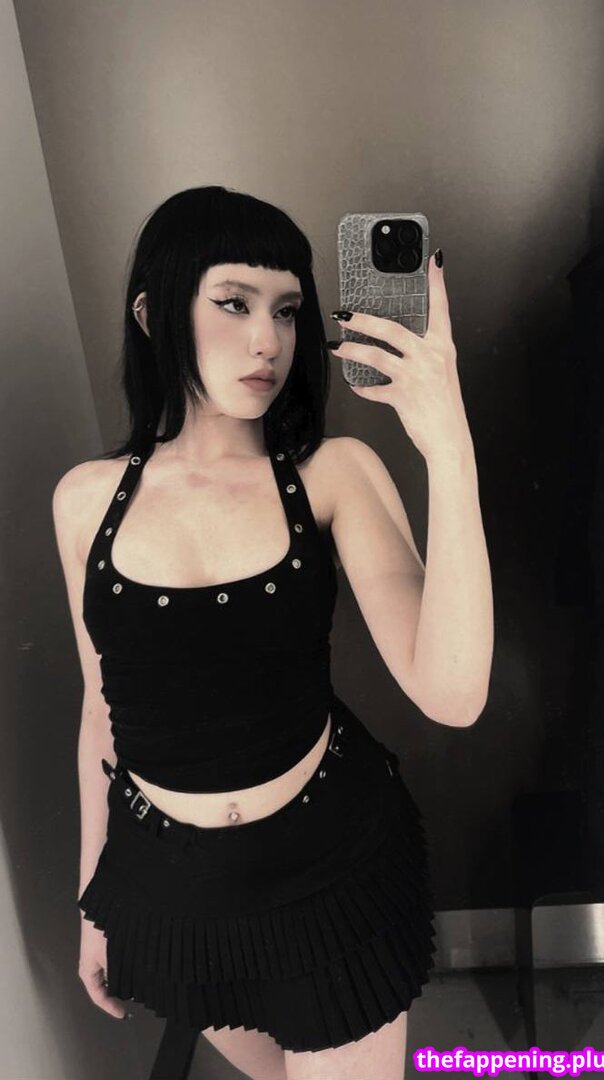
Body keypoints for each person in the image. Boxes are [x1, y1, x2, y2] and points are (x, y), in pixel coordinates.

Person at [52, 185, 486, 1080]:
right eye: (234, 302)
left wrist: (448, 446)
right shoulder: (86, 499)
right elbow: (102, 708)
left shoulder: (334, 475)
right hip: (171, 898)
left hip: (328, 879)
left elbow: (452, 693)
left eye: (287, 311)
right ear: (152, 314)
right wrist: (95, 898)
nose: (268, 341)